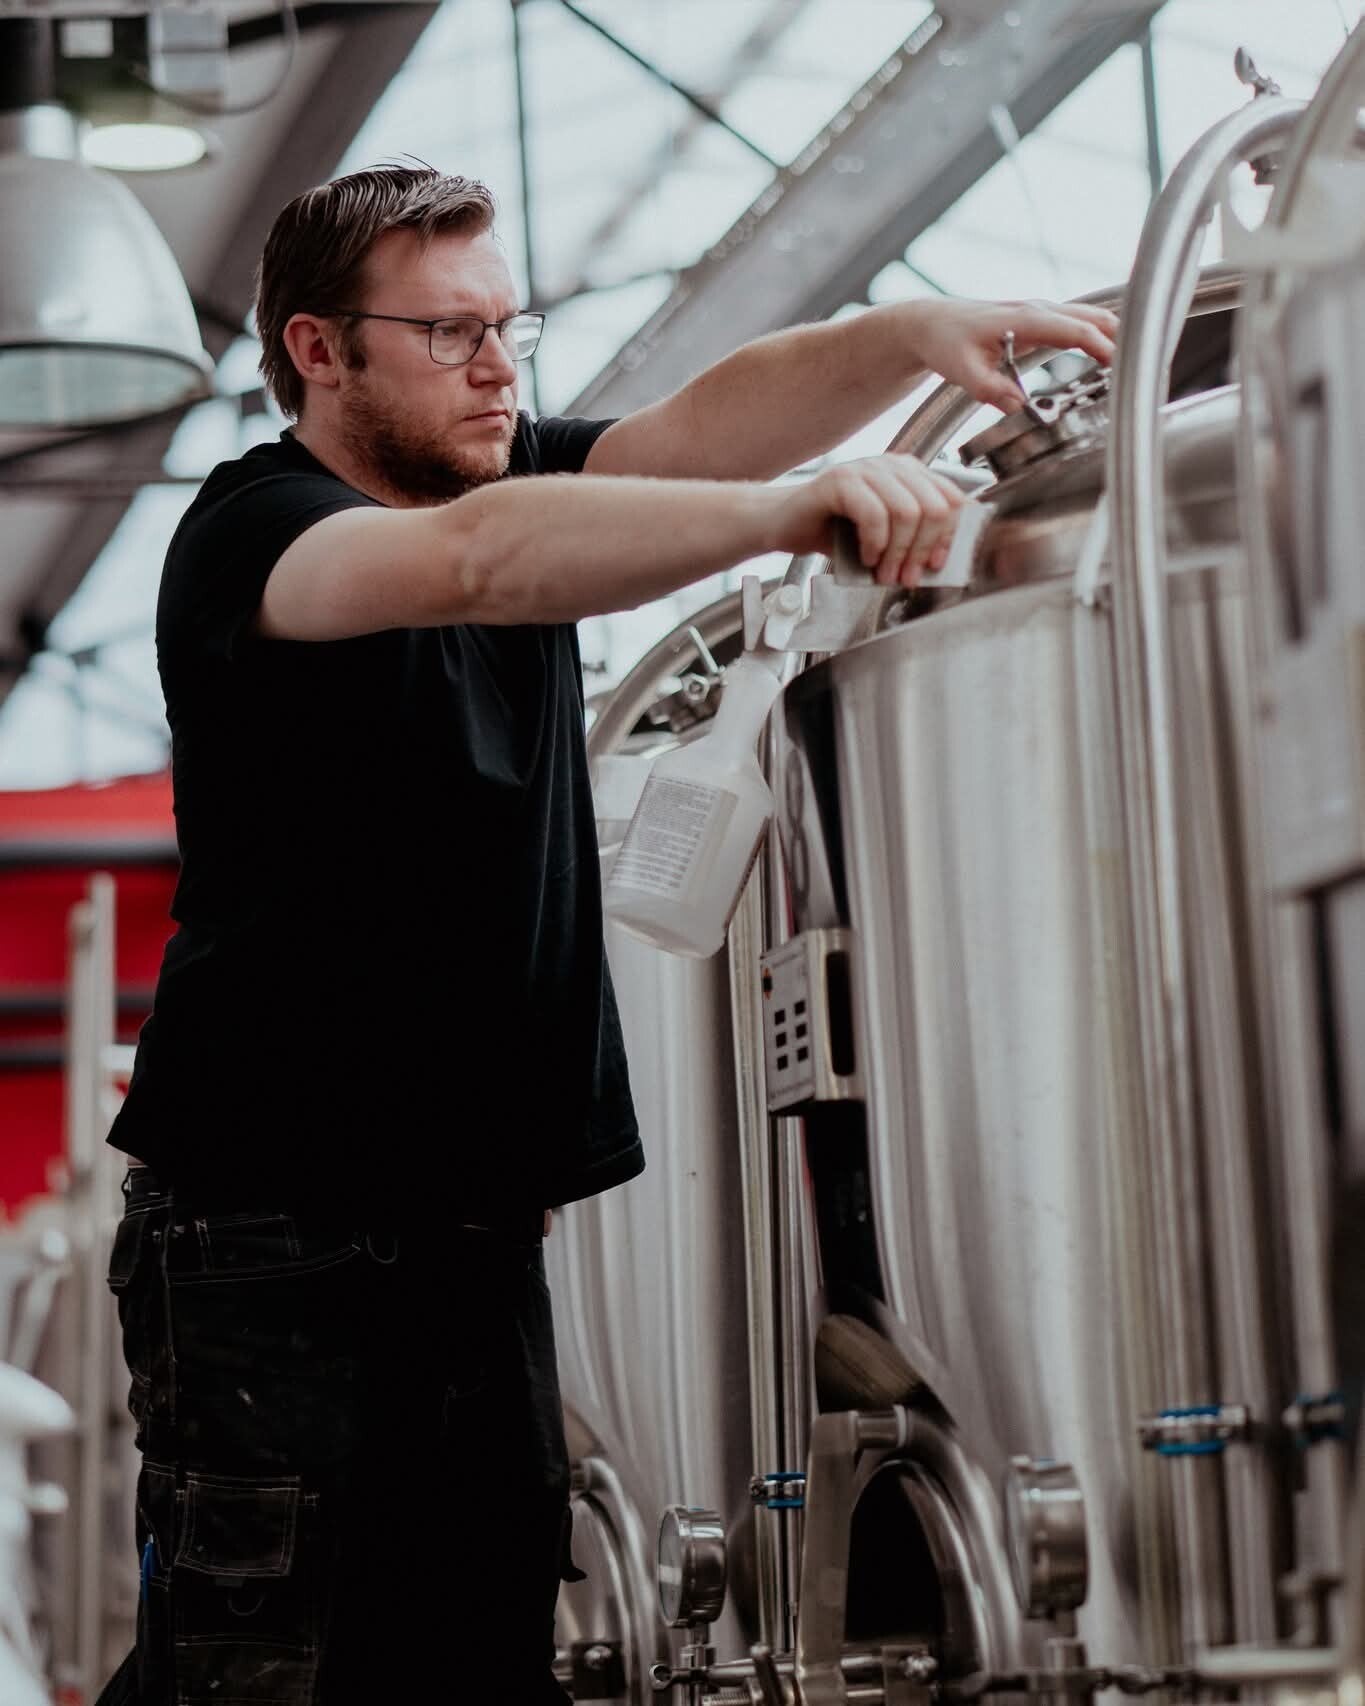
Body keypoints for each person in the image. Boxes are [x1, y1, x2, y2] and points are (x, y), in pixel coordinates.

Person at [94, 164, 1117, 1705]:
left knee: (469, 1656)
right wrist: (793, 512)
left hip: (469, 1230)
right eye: (450, 334)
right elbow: (481, 562)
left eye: (510, 329)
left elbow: (699, 426)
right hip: (272, 1230)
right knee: (269, 1666)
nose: (497, 369)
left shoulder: (503, 467)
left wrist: (907, 334)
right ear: (317, 349)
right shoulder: (258, 529)